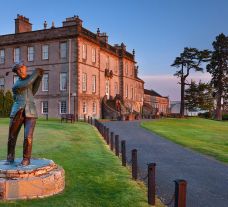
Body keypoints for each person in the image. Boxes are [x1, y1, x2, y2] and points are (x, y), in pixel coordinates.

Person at [6, 62, 44, 166]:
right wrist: (37, 72)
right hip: (17, 111)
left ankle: (26, 159)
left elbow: (33, 91)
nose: (19, 71)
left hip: (30, 112)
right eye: (17, 70)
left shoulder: (30, 81)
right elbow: (28, 82)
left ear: (24, 68)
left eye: (21, 68)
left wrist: (40, 77)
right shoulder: (17, 85)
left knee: (28, 137)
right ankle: (10, 158)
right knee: (12, 136)